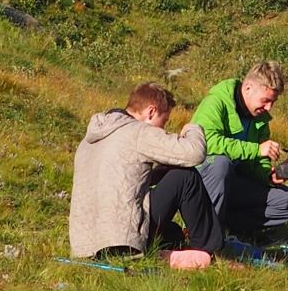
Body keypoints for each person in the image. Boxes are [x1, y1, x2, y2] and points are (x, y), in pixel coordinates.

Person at [69, 81, 222, 261]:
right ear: (151, 112)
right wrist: (193, 128)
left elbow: (122, 181)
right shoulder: (138, 131)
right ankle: (210, 250)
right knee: (185, 177)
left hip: (85, 244)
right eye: (163, 121)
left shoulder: (90, 140)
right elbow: (194, 153)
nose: (163, 128)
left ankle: (168, 250)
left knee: (173, 233)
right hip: (123, 239)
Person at [193, 60, 288, 234]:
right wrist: (256, 149)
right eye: (265, 100)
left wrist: (268, 176)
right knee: (221, 164)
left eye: (272, 102)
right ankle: (201, 232)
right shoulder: (216, 102)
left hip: (234, 183)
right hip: (203, 180)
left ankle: (227, 228)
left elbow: (257, 163)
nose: (268, 107)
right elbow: (205, 142)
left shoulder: (260, 118)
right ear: (248, 88)